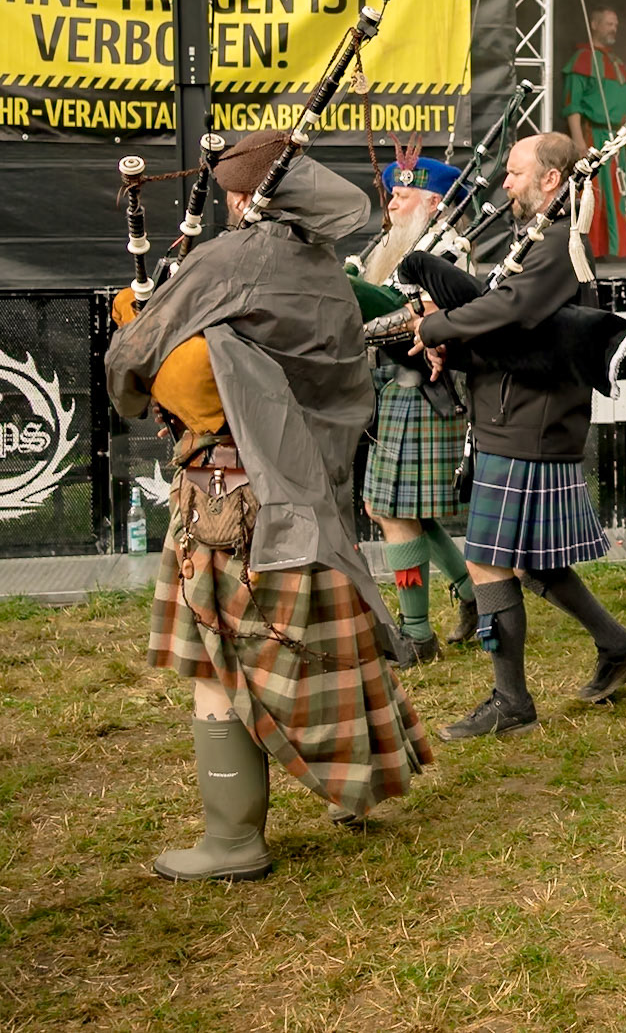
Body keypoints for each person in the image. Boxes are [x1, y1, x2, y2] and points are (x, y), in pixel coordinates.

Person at [107, 133, 431, 881]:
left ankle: (232, 840)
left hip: (228, 498)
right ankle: (357, 788)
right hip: (305, 494)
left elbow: (131, 364)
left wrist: (141, 335)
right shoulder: (324, 269)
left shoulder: (226, 259)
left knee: (217, 664)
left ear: (236, 197)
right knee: (323, 646)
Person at [409, 133, 626, 739]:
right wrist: (454, 351)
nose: (506, 183)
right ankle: (619, 645)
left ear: (552, 180)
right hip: (514, 417)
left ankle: (511, 703)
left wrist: (439, 324)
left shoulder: (558, 248)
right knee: (534, 565)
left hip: (531, 424)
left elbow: (512, 311)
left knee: (488, 563)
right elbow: (511, 339)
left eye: (517, 172)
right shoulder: (540, 243)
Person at [358, 155, 480, 662]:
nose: (392, 204)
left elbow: (417, 321)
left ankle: (417, 635)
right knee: (395, 510)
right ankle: (474, 597)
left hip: (427, 390)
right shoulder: (396, 247)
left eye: (403, 197)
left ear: (434, 204)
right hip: (399, 390)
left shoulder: (448, 252)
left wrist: (357, 301)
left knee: (390, 510)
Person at [562, 5, 626, 261]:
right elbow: (572, 105)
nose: (613, 28)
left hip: (618, 138)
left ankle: (618, 251)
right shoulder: (583, 59)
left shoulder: (618, 63)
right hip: (593, 137)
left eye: (615, 24)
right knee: (595, 194)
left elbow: (625, 107)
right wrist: (579, 141)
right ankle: (591, 251)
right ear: (594, 25)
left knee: (619, 194)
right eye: (608, 23)